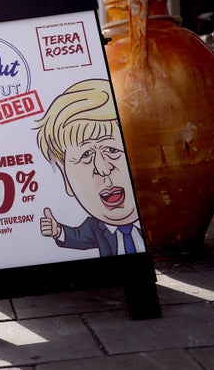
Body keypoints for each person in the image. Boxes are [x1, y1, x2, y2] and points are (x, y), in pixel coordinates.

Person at [35, 79, 145, 256]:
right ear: (66, 178)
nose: (103, 169)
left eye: (112, 149)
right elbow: (77, 237)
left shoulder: (156, 216)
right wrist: (58, 231)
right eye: (86, 155)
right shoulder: (95, 227)